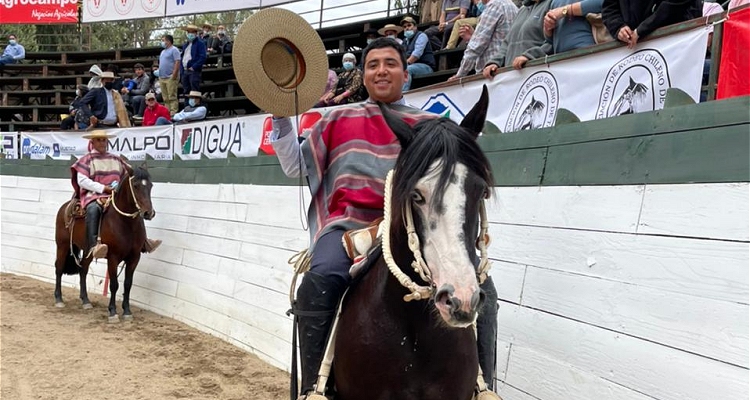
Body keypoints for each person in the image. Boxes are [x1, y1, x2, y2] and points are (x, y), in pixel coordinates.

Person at [270, 37, 499, 400]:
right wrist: (280, 115)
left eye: (390, 63)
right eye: (373, 64)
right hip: (346, 227)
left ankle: (484, 386)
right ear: (363, 75)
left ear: (405, 74)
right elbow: (293, 164)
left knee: (484, 290)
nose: (381, 70)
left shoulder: (429, 125)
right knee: (320, 279)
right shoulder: (336, 118)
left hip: (410, 226)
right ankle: (313, 387)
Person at [71, 130, 161, 259]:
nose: (102, 142)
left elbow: (129, 172)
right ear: (92, 142)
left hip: (115, 194)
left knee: (135, 207)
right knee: (93, 209)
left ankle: (144, 241)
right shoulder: (86, 160)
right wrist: (103, 188)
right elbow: (82, 181)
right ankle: (93, 245)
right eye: (99, 140)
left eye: (104, 140)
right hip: (94, 194)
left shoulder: (115, 158)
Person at [448, 0, 519, 80]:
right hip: (509, 68)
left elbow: (476, 47)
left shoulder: (494, 7)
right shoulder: (512, 6)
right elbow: (498, 38)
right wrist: (473, 37)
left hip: (491, 73)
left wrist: (460, 75)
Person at [482, 0, 553, 76]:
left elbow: (554, 43)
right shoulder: (522, 10)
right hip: (512, 78)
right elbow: (507, 42)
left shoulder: (552, 4)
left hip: (537, 76)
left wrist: (530, 56)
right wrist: (495, 62)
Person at [602, 0, 701, 49]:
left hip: (673, 44)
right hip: (633, 49)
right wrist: (619, 28)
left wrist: (642, 30)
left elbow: (674, 5)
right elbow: (609, 9)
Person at [400, 16, 436, 92]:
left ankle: (403, 96)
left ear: (415, 27)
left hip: (425, 66)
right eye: (405, 27)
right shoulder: (405, 41)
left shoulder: (421, 36)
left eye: (409, 25)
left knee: (406, 69)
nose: (407, 28)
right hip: (412, 66)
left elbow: (416, 54)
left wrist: (405, 64)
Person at [158, 35, 181, 115]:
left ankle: (173, 112)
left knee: (172, 96)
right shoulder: (163, 52)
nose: (162, 42)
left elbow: (177, 62)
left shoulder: (174, 50)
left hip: (170, 77)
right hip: (162, 77)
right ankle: (167, 112)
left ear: (168, 41)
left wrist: (174, 74)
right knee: (165, 97)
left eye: (163, 40)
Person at [181, 25, 207, 95]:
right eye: (189, 32)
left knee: (194, 91)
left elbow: (203, 57)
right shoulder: (185, 45)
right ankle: (187, 105)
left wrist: (194, 67)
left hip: (193, 71)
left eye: (192, 32)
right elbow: (182, 57)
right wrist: (182, 71)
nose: (190, 34)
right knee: (186, 91)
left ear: (196, 33)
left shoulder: (200, 43)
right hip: (185, 70)